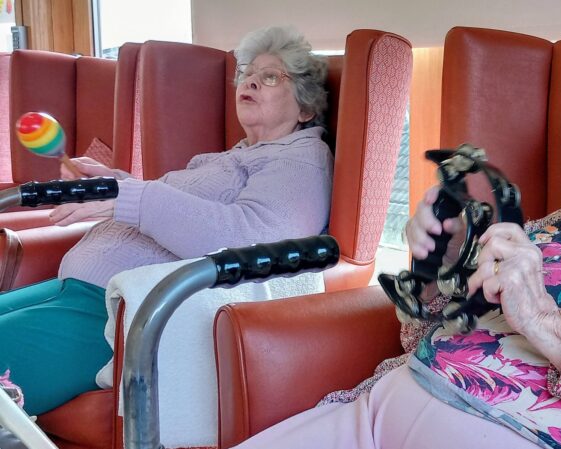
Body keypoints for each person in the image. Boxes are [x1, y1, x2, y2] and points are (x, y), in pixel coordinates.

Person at [233, 69, 561, 449]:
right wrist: (433, 268)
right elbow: (423, 336)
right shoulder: (549, 226)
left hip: (511, 430)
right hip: (375, 409)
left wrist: (546, 321)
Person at [0, 25, 333, 417]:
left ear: (306, 108)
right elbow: (163, 207)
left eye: (271, 76)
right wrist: (113, 185)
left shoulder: (300, 161)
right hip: (77, 290)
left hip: (120, 316)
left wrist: (130, 198)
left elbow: (252, 241)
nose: (252, 81)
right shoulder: (226, 158)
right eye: (248, 73)